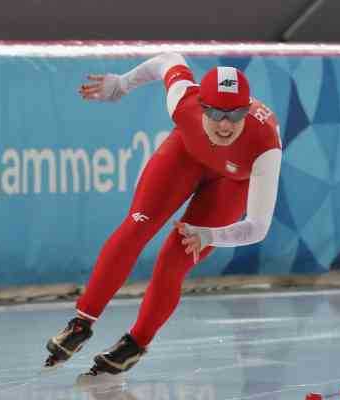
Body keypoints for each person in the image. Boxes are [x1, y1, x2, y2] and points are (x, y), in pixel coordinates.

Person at [43, 52, 282, 379]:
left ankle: (135, 343)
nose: (225, 125)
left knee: (174, 259)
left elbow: (258, 227)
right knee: (136, 227)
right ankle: (81, 323)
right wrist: (122, 84)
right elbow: (168, 60)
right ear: (200, 106)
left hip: (230, 183)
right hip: (185, 154)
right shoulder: (183, 101)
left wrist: (210, 235)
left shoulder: (266, 144)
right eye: (214, 113)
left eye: (235, 114)